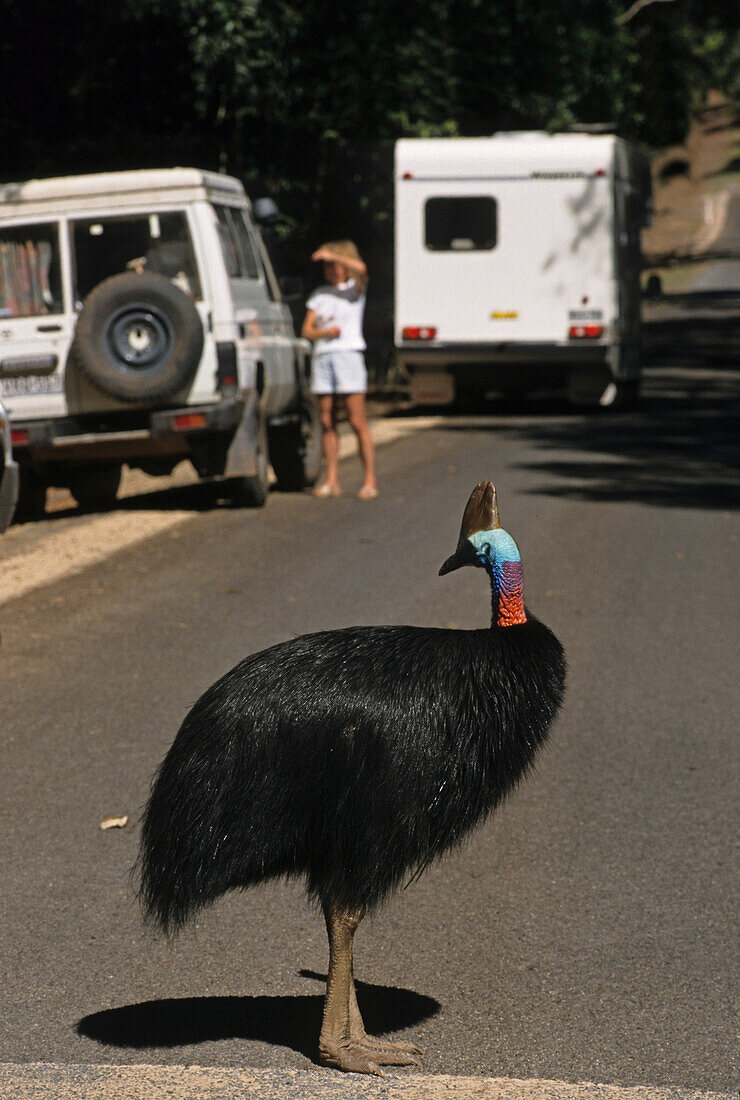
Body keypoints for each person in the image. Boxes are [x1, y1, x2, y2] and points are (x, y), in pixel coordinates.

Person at [301, 241, 378, 499]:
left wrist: (335, 254)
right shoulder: (320, 294)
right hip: (324, 357)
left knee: (356, 420)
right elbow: (307, 330)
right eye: (328, 265)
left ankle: (369, 479)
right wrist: (325, 333)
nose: (332, 269)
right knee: (326, 420)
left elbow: (362, 267)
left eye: (336, 264)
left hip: (348, 356)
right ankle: (332, 479)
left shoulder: (354, 290)